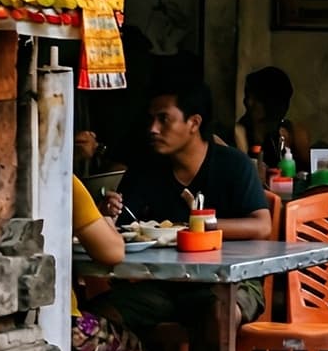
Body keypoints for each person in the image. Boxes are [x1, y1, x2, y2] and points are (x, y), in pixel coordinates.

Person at [99, 83, 274, 332]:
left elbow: (262, 226)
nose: (153, 128)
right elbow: (125, 224)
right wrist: (108, 213)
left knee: (220, 314)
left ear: (194, 123)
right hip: (163, 283)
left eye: (164, 119)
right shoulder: (146, 167)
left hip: (230, 281)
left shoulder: (233, 165)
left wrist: (198, 226)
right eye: (151, 119)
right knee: (101, 317)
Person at [70, 175, 142, 351]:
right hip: (60, 325)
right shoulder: (63, 179)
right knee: (128, 348)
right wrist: (107, 223)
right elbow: (112, 251)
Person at [234, 66, 311, 182]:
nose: (248, 102)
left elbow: (313, 173)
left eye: (257, 98)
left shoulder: (292, 133)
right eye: (247, 96)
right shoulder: (240, 132)